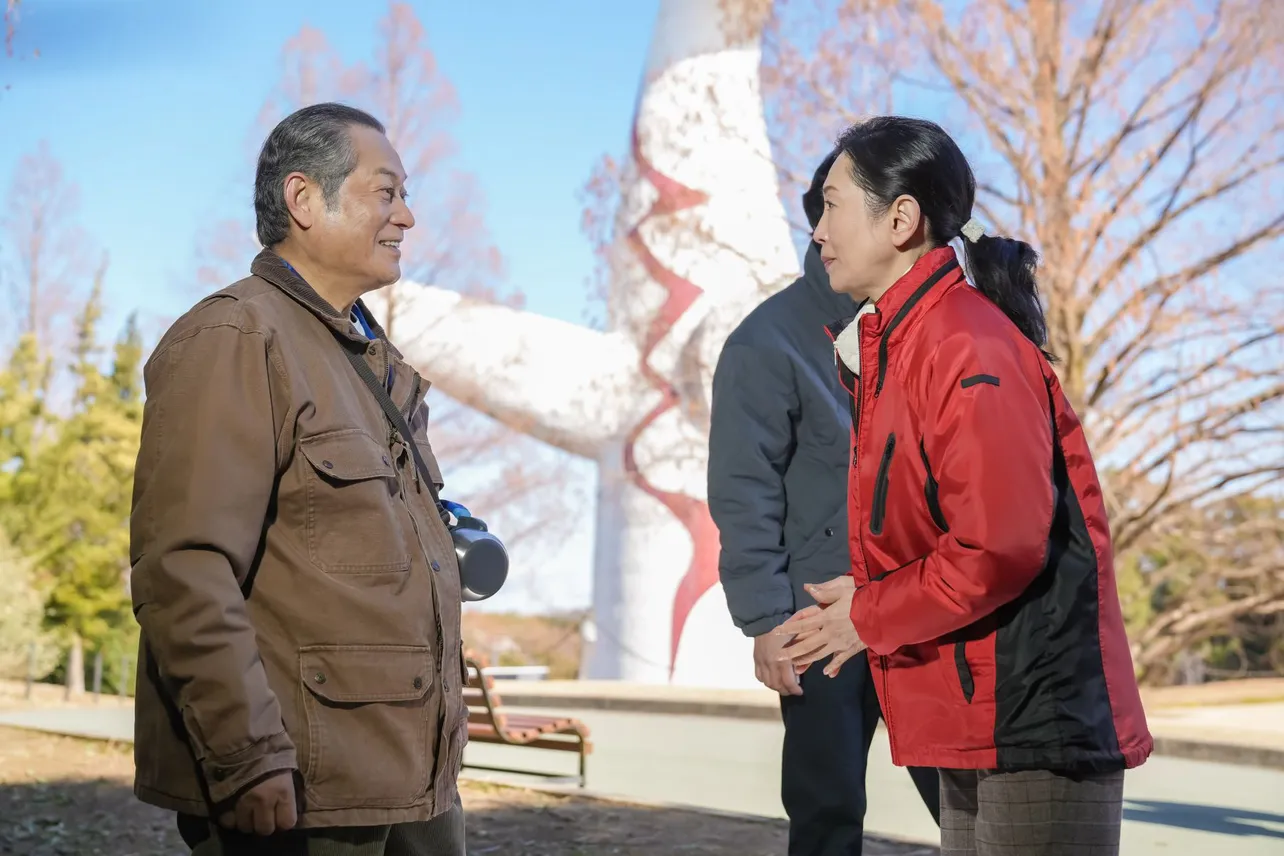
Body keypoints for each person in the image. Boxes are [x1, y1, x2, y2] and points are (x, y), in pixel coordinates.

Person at [775, 117, 1152, 856]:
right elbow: (940, 533)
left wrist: (870, 617)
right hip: (974, 712)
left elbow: (998, 545)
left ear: (902, 218)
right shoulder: (899, 348)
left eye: (831, 204)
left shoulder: (965, 343)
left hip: (1032, 719)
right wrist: (864, 595)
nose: (817, 231)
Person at [129, 103, 469, 856]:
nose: (407, 216)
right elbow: (185, 568)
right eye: (387, 192)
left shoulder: (369, 363)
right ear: (304, 200)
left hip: (403, 780)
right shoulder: (236, 338)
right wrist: (247, 756)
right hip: (300, 792)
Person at [707, 154, 941, 856]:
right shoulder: (766, 340)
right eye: (829, 211)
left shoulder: (932, 330)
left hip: (920, 604)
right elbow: (742, 491)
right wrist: (766, 619)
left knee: (964, 801)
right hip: (815, 616)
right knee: (826, 810)